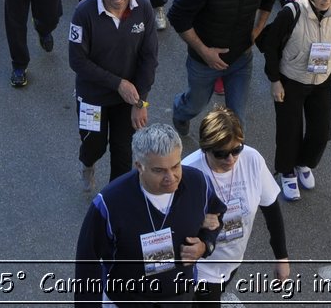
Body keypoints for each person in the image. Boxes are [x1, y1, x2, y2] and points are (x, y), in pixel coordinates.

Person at [73, 124, 225, 308]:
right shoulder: (110, 203)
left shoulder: (198, 184)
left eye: (175, 166)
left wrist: (204, 244)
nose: (171, 177)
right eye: (159, 170)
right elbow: (87, 263)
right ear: (139, 166)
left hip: (179, 298)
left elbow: (216, 216)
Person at [258, 0, 331, 199]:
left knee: (321, 131)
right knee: (288, 131)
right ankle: (287, 171)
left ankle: (304, 163)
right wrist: (275, 81)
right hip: (290, 81)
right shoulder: (291, 13)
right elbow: (270, 47)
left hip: (321, 80)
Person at [168, 0, 277, 133]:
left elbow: (268, 1)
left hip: (241, 59)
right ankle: (180, 111)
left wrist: (257, 29)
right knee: (195, 105)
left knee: (237, 119)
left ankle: (230, 157)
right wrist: (204, 51)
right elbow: (177, 16)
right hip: (204, 62)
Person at [181, 108, 290, 300]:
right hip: (200, 269)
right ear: (206, 148)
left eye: (236, 149)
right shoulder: (188, 172)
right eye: (221, 154)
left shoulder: (252, 159)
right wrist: (198, 224)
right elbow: (169, 223)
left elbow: (271, 209)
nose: (231, 159)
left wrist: (282, 257)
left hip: (232, 261)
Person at [70, 0, 159, 188]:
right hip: (93, 95)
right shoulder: (84, 12)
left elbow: (149, 58)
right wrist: (118, 84)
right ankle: (87, 164)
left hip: (128, 98)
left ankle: (114, 198)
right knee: (94, 145)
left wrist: (141, 101)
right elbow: (77, 61)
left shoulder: (143, 9)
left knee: (122, 151)